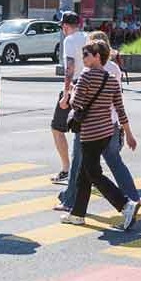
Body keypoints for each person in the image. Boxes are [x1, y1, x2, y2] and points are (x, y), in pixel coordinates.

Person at [60, 41, 140, 230]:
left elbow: (76, 104)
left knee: (94, 173)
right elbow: (120, 109)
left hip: (90, 133)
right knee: (84, 174)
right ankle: (77, 214)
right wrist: (128, 134)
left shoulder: (86, 76)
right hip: (106, 131)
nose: (84, 57)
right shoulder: (111, 79)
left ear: (98, 57)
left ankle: (125, 204)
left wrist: (70, 93)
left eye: (87, 54)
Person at [50, 12, 87, 185]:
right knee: (85, 132)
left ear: (65, 26)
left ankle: (66, 169)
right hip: (92, 86)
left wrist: (66, 94)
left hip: (76, 86)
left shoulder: (69, 40)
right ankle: (88, 171)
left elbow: (69, 69)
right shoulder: (89, 37)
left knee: (57, 128)